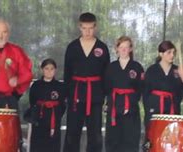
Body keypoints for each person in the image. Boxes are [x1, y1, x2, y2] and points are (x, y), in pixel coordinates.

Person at [63, 12, 110, 152]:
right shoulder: (72, 47)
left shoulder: (102, 48)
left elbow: (106, 75)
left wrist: (106, 97)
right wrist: (67, 96)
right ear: (80, 27)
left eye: (90, 28)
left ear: (95, 27)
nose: (87, 31)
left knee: (95, 134)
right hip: (76, 94)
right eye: (84, 28)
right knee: (72, 132)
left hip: (95, 95)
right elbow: (67, 73)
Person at [104, 36, 144, 152]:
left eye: (126, 47)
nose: (124, 50)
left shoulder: (137, 67)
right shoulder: (111, 67)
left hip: (131, 110)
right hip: (114, 109)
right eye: (121, 47)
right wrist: (110, 103)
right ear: (116, 49)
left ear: (131, 49)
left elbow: (140, 88)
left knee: (130, 140)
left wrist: (130, 103)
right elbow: (107, 88)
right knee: (113, 140)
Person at [142, 41, 183, 129]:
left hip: (172, 108)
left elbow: (181, 89)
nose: (172, 55)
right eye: (169, 52)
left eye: (174, 52)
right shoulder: (152, 70)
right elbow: (145, 91)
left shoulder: (177, 70)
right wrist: (149, 108)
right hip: (155, 108)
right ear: (161, 54)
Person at [28, 59, 67, 152]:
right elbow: (32, 101)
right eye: (46, 68)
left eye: (52, 69)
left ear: (55, 70)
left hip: (54, 119)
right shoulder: (36, 85)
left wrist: (56, 115)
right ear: (42, 70)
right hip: (39, 120)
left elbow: (63, 105)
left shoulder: (60, 86)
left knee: (53, 144)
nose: (49, 71)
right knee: (38, 144)